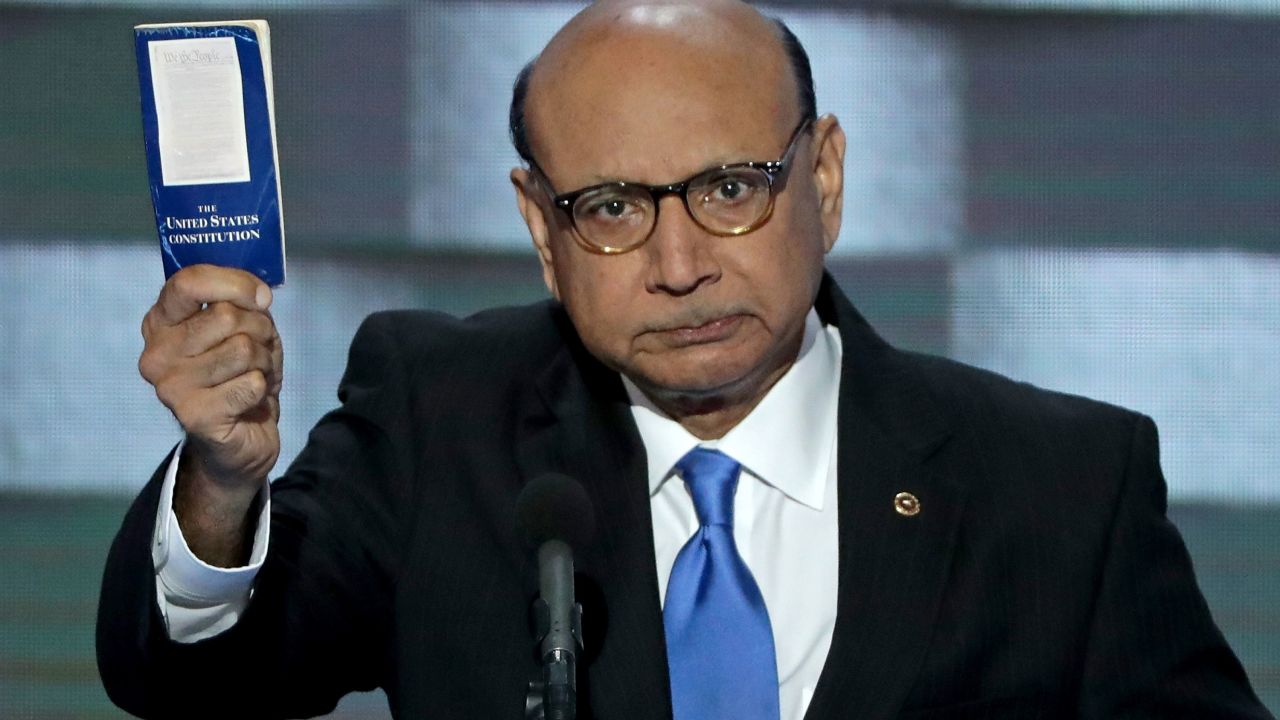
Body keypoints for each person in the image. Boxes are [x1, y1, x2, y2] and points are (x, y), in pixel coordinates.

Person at [97, 1, 1273, 718]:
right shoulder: (436, 416)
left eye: (726, 189)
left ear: (821, 179)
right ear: (540, 233)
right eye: (609, 206)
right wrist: (222, 483)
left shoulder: (1059, 483)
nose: (676, 263)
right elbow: (198, 686)